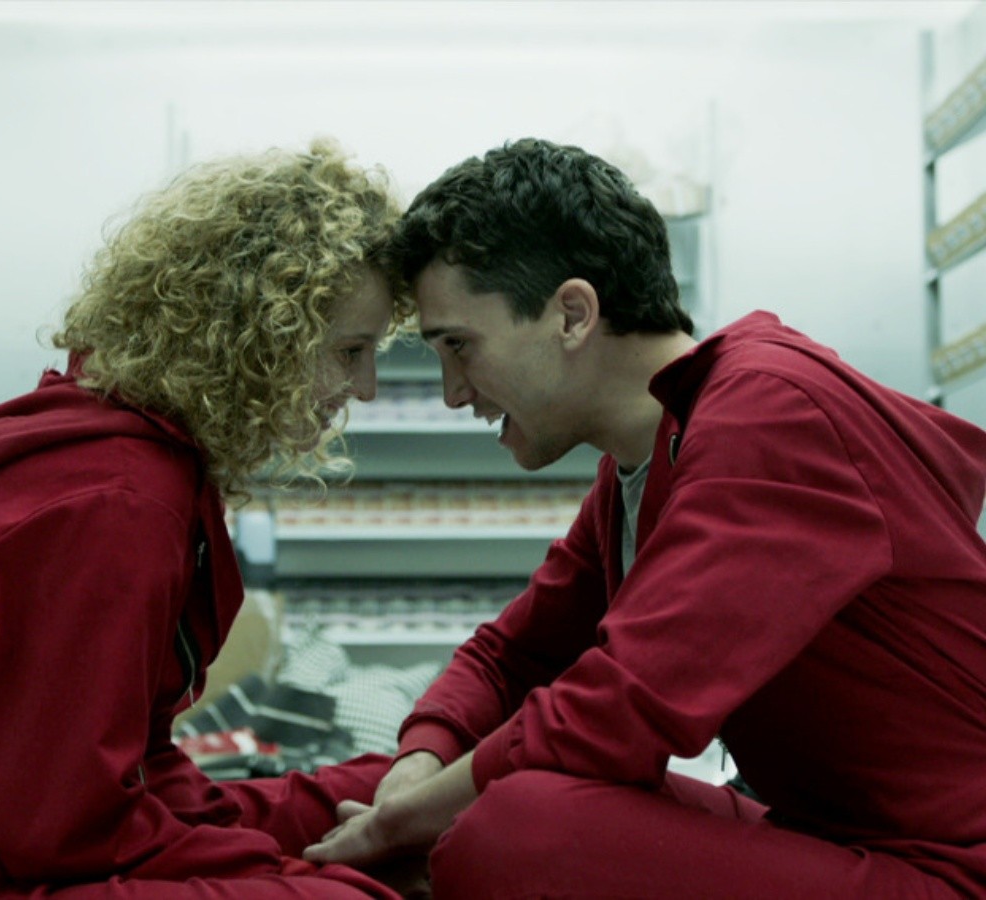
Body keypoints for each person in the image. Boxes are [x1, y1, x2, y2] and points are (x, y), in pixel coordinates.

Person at [303, 138, 986, 898]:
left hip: (948, 867)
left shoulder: (770, 414)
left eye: (460, 346)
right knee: (431, 798)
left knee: (514, 830)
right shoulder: (645, 462)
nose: (453, 392)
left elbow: (618, 710)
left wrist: (401, 825)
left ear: (572, 314)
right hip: (826, 837)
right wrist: (419, 763)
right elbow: (511, 657)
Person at [0, 139, 416, 900]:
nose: (365, 387)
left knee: (361, 796)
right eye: (351, 351)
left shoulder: (113, 451)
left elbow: (128, 767)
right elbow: (65, 829)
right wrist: (292, 870)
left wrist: (357, 806)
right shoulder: (119, 503)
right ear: (261, 337)